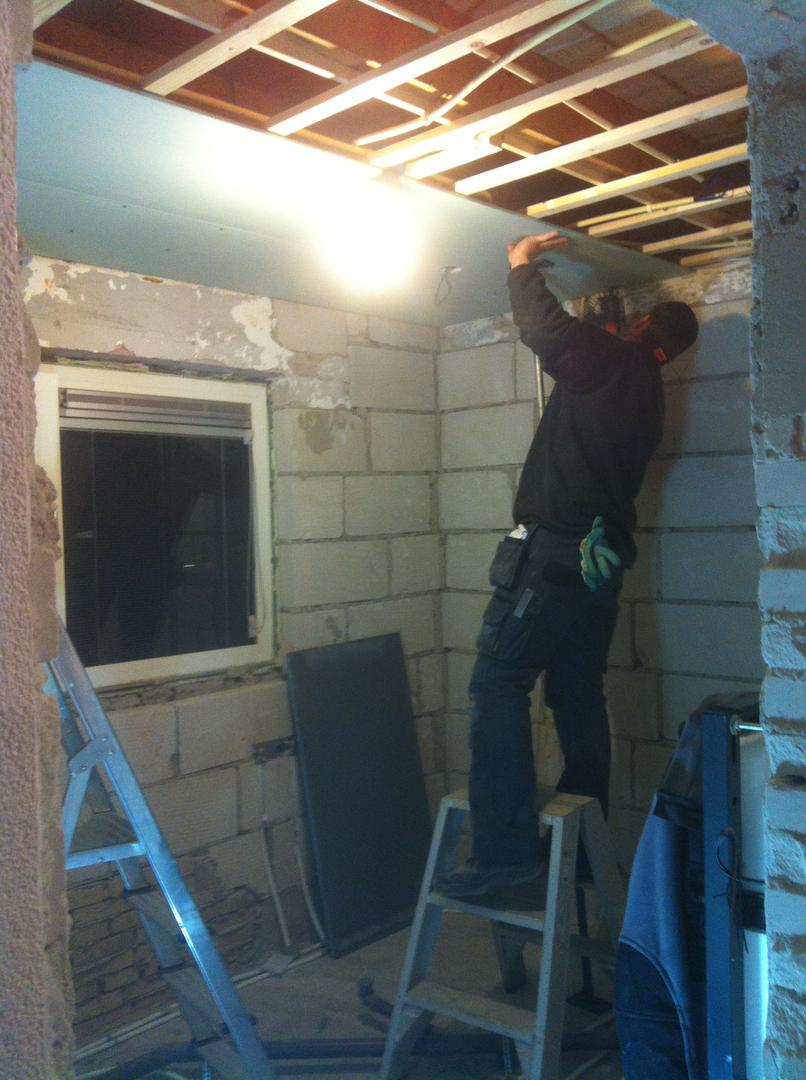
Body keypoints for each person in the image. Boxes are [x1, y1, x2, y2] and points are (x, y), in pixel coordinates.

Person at [436, 232, 699, 899]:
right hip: (597, 562)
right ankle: (585, 850)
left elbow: (543, 329)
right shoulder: (647, 390)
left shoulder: (614, 363)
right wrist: (605, 333)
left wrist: (521, 264)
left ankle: (507, 861)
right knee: (578, 693)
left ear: (644, 325)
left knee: (498, 683)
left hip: (555, 550)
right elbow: (587, 364)